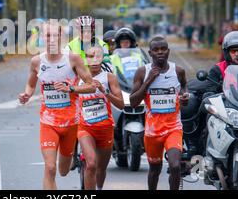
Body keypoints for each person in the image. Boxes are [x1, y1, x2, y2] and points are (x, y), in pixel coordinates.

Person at [18, 21, 96, 190]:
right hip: (48, 123)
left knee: (63, 170)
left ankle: (69, 157)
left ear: (62, 37)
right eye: (48, 35)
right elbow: (31, 85)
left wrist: (72, 88)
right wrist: (26, 94)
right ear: (41, 38)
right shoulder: (37, 61)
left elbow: (91, 85)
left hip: (71, 124)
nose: (52, 39)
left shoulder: (73, 58)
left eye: (56, 35)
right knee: (50, 168)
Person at [129, 36, 190, 190]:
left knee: (175, 166)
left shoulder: (178, 71)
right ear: (150, 53)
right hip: (152, 132)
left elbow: (183, 86)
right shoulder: (143, 72)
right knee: (155, 169)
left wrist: (184, 96)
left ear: (168, 51)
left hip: (173, 128)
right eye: (156, 50)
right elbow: (133, 102)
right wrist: (149, 80)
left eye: (163, 49)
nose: (160, 52)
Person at [74, 46, 124, 190]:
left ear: (103, 58)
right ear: (85, 59)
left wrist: (105, 91)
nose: (94, 60)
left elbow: (121, 105)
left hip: (105, 129)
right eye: (90, 56)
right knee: (91, 164)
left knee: (101, 169)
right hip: (85, 129)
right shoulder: (78, 78)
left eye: (98, 57)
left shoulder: (109, 77)